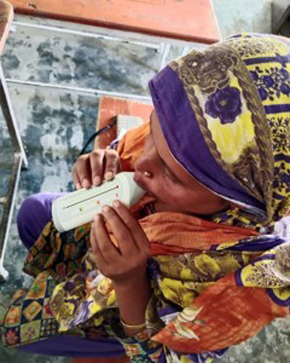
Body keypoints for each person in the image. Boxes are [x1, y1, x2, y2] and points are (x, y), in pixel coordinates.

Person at [1, 32, 290, 363]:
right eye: (152, 131)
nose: (141, 163)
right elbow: (133, 151)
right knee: (32, 214)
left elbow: (170, 356)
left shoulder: (246, 283)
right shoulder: (183, 136)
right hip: (105, 253)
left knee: (27, 336)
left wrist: (128, 281)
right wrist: (103, 161)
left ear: (238, 204)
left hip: (129, 310)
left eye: (171, 173)